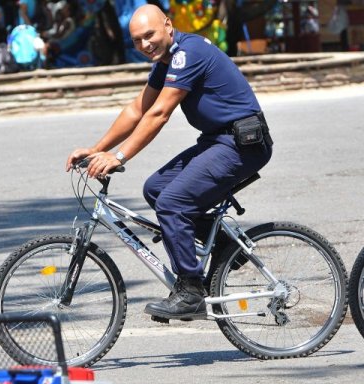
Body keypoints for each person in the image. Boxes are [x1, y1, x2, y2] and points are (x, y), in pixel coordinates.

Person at [65, 5, 273, 321]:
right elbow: (138, 109)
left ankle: (191, 291)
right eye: (137, 40)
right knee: (156, 189)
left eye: (149, 35)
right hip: (219, 140)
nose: (145, 44)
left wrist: (118, 156)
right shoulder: (166, 60)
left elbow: (159, 114)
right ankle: (227, 246)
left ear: (168, 25)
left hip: (242, 143)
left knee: (173, 203)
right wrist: (96, 149)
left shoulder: (186, 54)